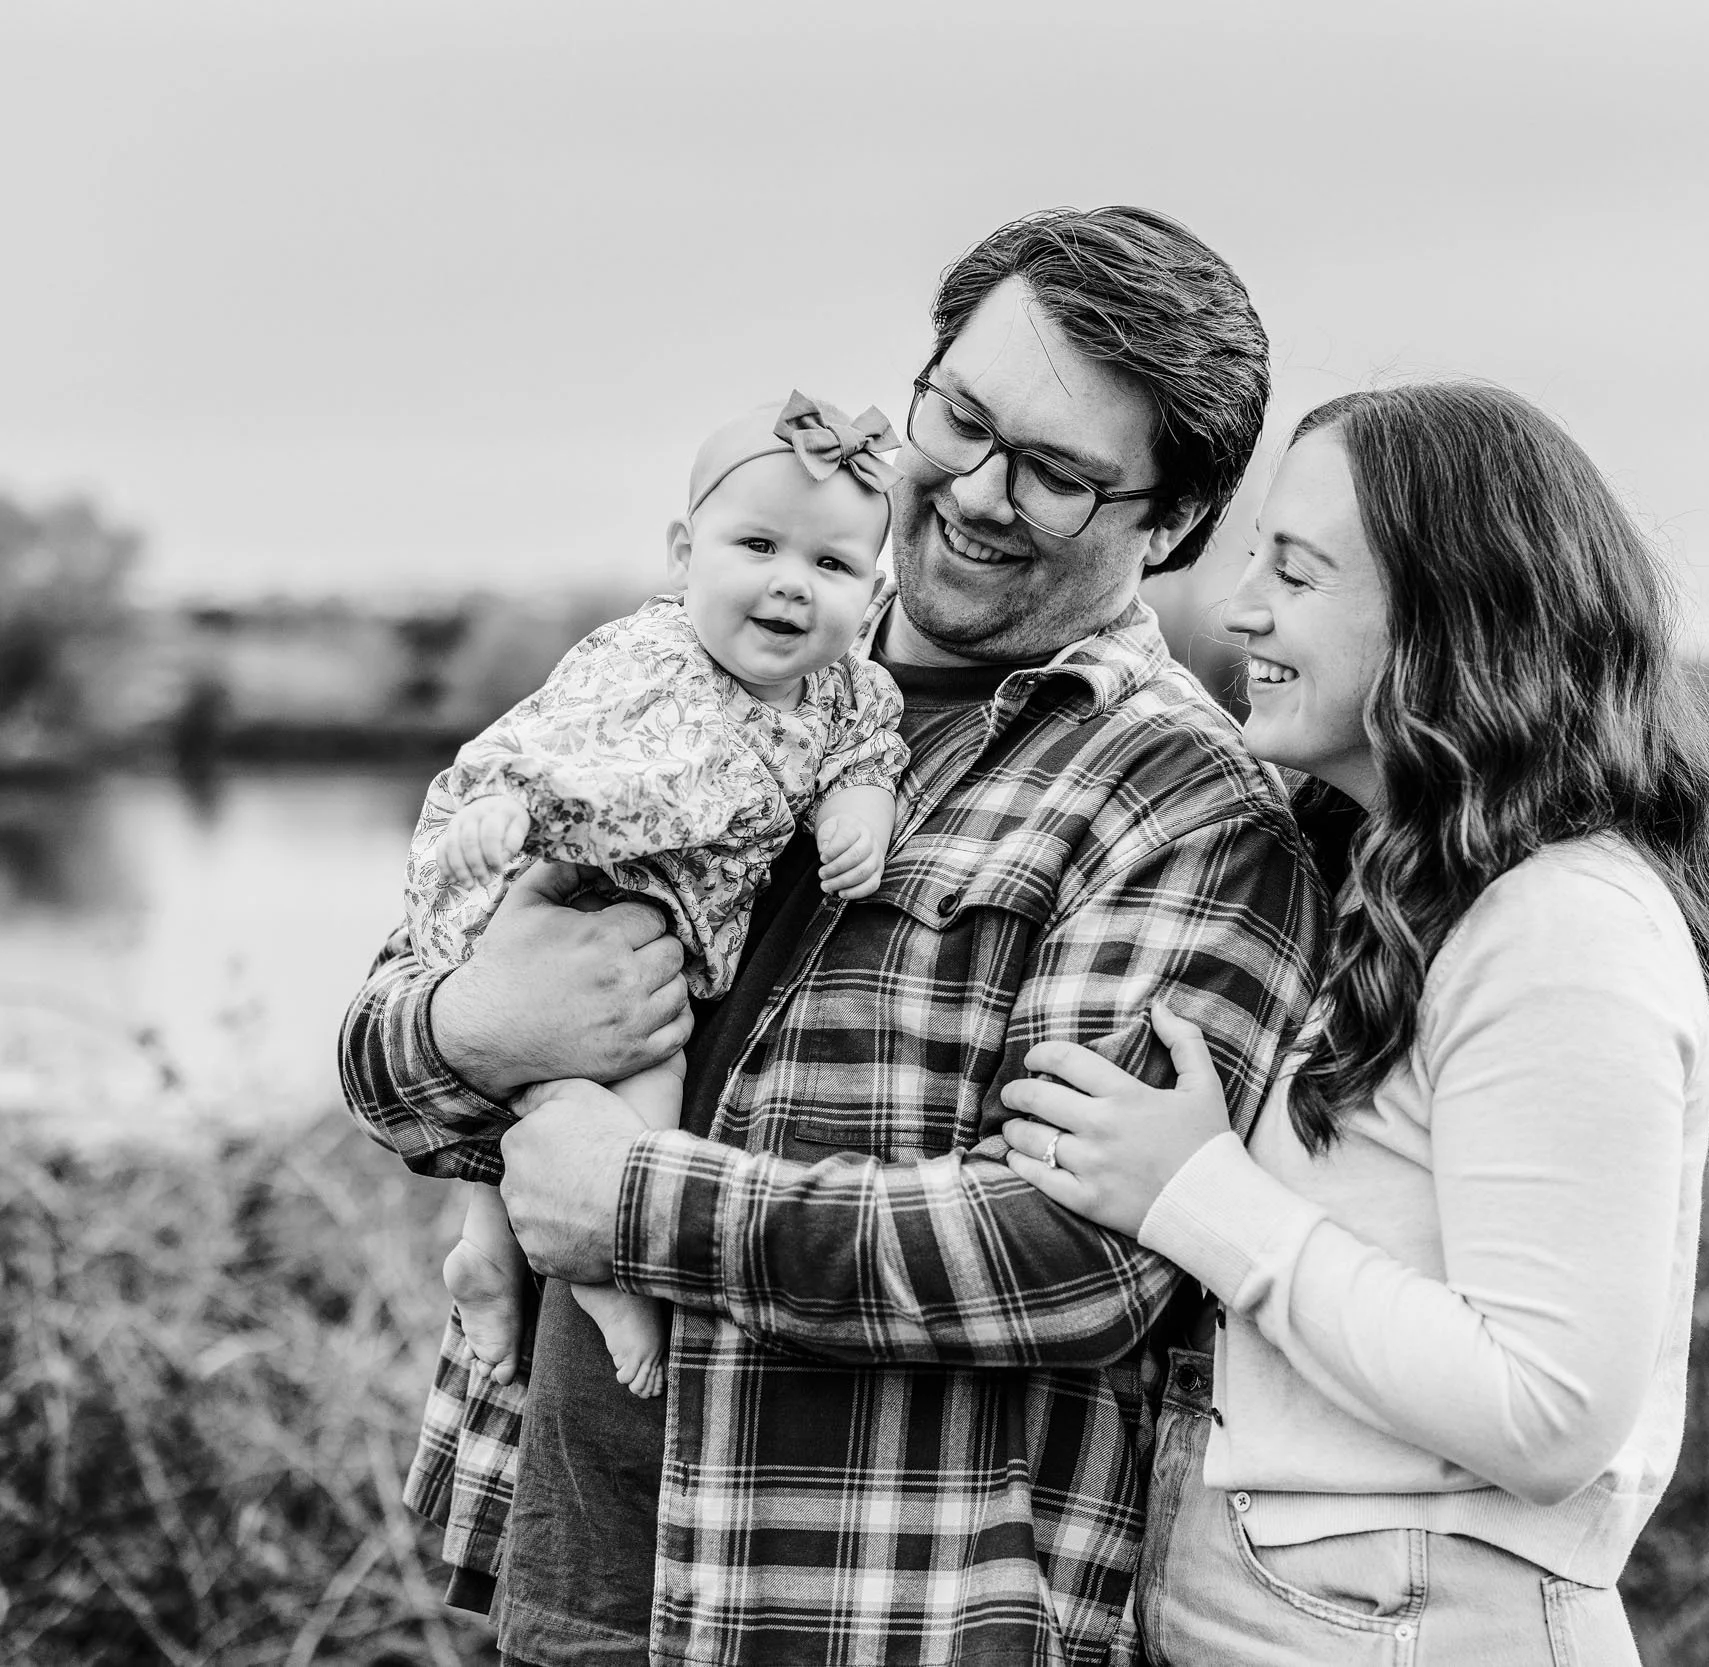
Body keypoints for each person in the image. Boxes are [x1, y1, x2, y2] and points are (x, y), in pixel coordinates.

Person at [337, 206, 1329, 1667]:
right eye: (961, 420)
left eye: (1056, 474)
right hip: (582, 1563)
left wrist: (635, 1203)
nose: (977, 492)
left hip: (877, 1607)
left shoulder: (1184, 806)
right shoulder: (719, 649)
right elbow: (382, 1046)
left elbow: (1082, 1256)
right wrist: (475, 1029)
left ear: (1169, 524)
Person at [996, 382, 1709, 1666]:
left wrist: (1196, 1193)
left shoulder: (1562, 924)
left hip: (1413, 1624)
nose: (1240, 607)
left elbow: (1548, 1409)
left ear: (1449, 615)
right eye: (1255, 557)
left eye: (1296, 572)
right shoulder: (1402, 887)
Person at [396, 392, 909, 1592]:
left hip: (671, 937)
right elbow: (539, 740)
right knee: (621, 1085)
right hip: (577, 895)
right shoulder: (644, 655)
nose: (790, 583)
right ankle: (601, 1277)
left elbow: (866, 758)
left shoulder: (847, 693)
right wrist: (505, 810)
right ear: (684, 554)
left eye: (832, 564)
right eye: (757, 545)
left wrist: (862, 808)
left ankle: (487, 1247)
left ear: (873, 590)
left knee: (609, 1073)